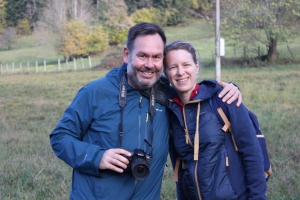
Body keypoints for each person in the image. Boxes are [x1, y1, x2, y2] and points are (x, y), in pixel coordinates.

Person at [50, 23, 241, 199]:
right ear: (126, 55)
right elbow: (60, 137)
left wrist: (224, 88)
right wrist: (97, 157)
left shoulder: (168, 93)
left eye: (157, 57)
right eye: (142, 56)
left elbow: (192, 89)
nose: (150, 65)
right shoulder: (95, 92)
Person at [164, 40, 267, 200]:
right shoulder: (171, 111)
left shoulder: (224, 98)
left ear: (196, 67)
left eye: (186, 65)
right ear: (166, 72)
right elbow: (180, 166)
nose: (180, 72)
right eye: (173, 67)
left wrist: (257, 197)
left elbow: (252, 152)